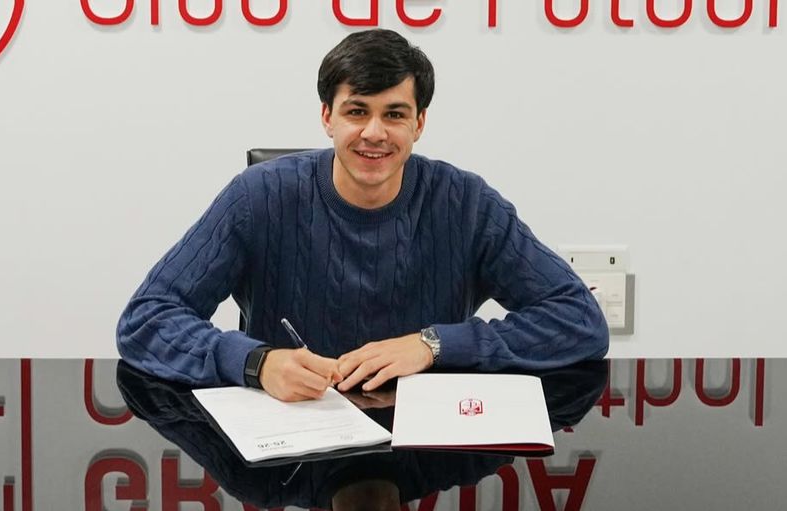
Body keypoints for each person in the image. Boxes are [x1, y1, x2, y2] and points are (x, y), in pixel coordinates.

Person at [116, 29, 609, 402]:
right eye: (356, 111)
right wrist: (256, 362)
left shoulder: (467, 203)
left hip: (425, 442)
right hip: (290, 451)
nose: (375, 132)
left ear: (419, 123)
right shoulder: (258, 196)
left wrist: (433, 345)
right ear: (327, 117)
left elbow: (579, 320)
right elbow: (146, 320)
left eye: (394, 114)